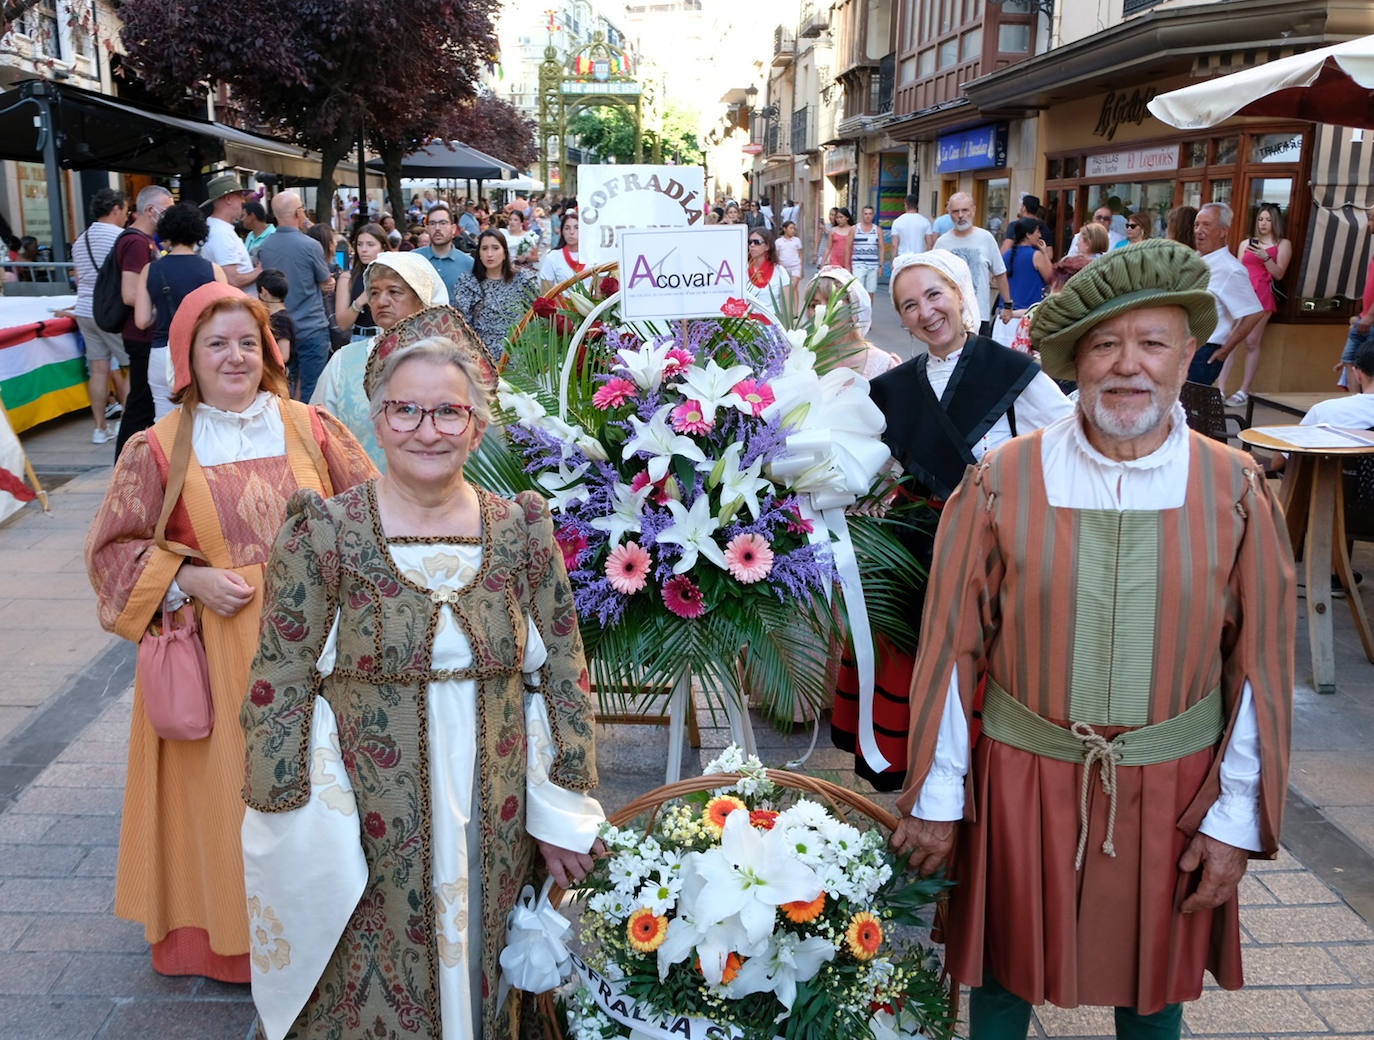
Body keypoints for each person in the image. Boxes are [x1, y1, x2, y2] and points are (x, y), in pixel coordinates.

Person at [891, 239, 1296, 1040]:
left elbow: (1260, 670)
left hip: (1175, 792)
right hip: (1019, 780)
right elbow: (950, 650)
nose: (1127, 367)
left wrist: (1234, 818)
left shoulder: (1235, 489)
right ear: (1075, 360)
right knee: (1000, 976)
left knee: (1153, 990)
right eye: (1104, 345)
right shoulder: (1001, 479)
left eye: (1152, 343)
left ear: (1189, 356)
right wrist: (937, 803)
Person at [242, 332, 602, 1040]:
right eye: (406, 411)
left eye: (449, 413)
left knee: (487, 979)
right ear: (376, 421)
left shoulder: (522, 531)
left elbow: (564, 669)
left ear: (477, 424)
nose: (427, 431)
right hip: (362, 818)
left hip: (496, 806)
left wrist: (562, 810)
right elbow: (277, 683)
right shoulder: (326, 534)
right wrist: (290, 829)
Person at [85, 282, 376, 986]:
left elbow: (370, 514)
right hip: (218, 662)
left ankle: (325, 929)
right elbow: (112, 552)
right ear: (187, 355)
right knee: (227, 805)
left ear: (269, 350)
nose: (236, 356)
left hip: (317, 655)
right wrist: (188, 580)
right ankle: (230, 941)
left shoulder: (312, 427)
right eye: (216, 343)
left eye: (248, 341)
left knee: (322, 796)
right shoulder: (157, 447)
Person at [830, 251, 1072, 789]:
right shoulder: (894, 386)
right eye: (909, 305)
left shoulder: (1011, 371)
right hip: (914, 546)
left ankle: (984, 770)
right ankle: (914, 766)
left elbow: (1067, 438)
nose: (925, 312)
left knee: (988, 659)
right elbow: (871, 462)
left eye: (933, 295)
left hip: (994, 542)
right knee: (909, 653)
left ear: (962, 295)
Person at [312, 251, 450, 469]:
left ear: (422, 299)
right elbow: (318, 434)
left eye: (394, 292)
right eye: (374, 293)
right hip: (361, 495)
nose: (381, 301)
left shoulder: (450, 363)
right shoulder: (345, 361)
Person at [134, 202, 227, 421]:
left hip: (161, 352)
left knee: (165, 423)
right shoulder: (212, 270)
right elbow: (226, 320)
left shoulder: (151, 269)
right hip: (201, 352)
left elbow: (141, 320)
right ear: (199, 231)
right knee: (206, 419)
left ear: (167, 232)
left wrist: (164, 309)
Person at [114, 184, 174, 457]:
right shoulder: (136, 243)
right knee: (140, 406)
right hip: (141, 338)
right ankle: (125, 464)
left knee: (144, 405)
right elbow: (129, 294)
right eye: (168, 209)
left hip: (144, 336)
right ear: (151, 210)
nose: (171, 216)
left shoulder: (146, 242)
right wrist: (157, 310)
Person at [257, 192, 334, 402]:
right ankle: (310, 432)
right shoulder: (310, 245)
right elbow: (325, 280)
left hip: (279, 328)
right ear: (298, 212)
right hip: (311, 327)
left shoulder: (264, 247)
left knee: (285, 388)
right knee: (314, 389)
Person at [72, 188, 130, 444]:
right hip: (111, 312)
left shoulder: (80, 240)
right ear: (116, 209)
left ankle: (99, 427)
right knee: (129, 368)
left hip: (84, 310)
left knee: (98, 369)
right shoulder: (121, 238)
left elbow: (80, 277)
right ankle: (127, 423)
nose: (126, 217)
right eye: (126, 211)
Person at [1220, 204, 1292, 405]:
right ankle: (1221, 388)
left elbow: (1279, 273)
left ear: (1275, 222)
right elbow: (1237, 269)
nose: (1263, 223)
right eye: (1261, 219)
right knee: (1230, 341)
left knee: (1252, 341)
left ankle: (1244, 390)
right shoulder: (1246, 243)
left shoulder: (1283, 244)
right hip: (1241, 294)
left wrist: (1266, 257)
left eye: (1268, 220)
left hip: (1262, 295)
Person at [1191, 203, 1264, 387]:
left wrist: (1226, 349)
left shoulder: (1230, 269)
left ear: (1223, 231)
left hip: (1204, 351)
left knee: (1188, 410)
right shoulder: (1195, 259)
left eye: (1206, 225)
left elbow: (1254, 313)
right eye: (1196, 225)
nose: (1199, 231)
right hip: (1181, 346)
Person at [934, 193, 1013, 336]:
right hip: (951, 316)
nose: (960, 215)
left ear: (974, 211)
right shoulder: (942, 243)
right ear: (949, 213)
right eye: (955, 211)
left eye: (965, 210)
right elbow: (934, 280)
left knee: (979, 357)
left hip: (980, 316)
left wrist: (1007, 305)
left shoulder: (986, 238)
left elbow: (1000, 273)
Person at [452, 230, 537, 362]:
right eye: (484, 248)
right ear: (479, 253)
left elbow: (535, 317)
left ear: (504, 253)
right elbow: (462, 326)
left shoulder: (523, 280)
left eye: (495, 248)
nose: (489, 254)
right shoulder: (468, 283)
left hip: (520, 359)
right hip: (483, 361)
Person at [808, 267, 899, 379]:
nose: (823, 311)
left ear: (853, 309)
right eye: (814, 305)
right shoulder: (803, 360)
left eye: (834, 303)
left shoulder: (884, 366)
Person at [199, 173, 260, 292]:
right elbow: (232, 280)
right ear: (228, 199)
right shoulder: (221, 233)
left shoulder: (218, 229)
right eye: (239, 196)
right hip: (238, 306)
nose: (243, 201)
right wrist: (259, 271)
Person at [1336, 207, 1374, 388]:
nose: (1368, 223)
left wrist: (1370, 316)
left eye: (1371, 219)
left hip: (1370, 321)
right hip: (1364, 318)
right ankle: (1354, 402)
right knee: (1349, 360)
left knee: (1367, 364)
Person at [335, 222, 390, 341]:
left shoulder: (394, 275)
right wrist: (359, 302)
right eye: (359, 244)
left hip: (388, 337)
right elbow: (343, 324)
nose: (363, 250)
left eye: (370, 244)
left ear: (383, 247)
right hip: (360, 337)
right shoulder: (348, 278)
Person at [416, 204, 475, 301]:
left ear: (453, 229)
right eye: (432, 223)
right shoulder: (413, 259)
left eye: (443, 223)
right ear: (427, 228)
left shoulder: (468, 264)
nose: (437, 228)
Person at [1001, 218, 1052, 313]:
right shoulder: (1037, 256)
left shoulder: (1007, 254)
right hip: (1026, 314)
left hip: (1005, 314)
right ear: (1028, 235)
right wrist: (1045, 253)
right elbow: (1051, 278)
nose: (1040, 235)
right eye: (1037, 232)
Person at [257, 268, 296, 363]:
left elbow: (283, 355)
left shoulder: (281, 319)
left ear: (264, 292)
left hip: (279, 374)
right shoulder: (278, 316)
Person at [538, 208, 583, 287]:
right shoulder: (553, 257)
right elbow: (547, 290)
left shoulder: (593, 256)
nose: (571, 232)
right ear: (562, 232)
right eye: (567, 228)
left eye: (576, 227)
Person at [746, 227, 791, 302]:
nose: (752, 245)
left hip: (771, 313)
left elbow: (787, 306)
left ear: (767, 246)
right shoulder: (742, 270)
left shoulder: (780, 272)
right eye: (749, 242)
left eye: (757, 242)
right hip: (748, 313)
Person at [851, 206, 887, 294]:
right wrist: (848, 266)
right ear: (862, 215)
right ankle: (858, 308)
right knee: (858, 291)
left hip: (873, 265)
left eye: (870, 214)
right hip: (858, 264)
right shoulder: (854, 229)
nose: (868, 216)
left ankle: (869, 308)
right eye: (866, 214)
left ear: (873, 215)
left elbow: (882, 248)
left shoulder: (878, 230)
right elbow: (848, 247)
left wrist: (881, 266)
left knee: (871, 291)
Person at [890, 194, 932, 258]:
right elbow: (930, 244)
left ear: (906, 205)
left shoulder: (897, 222)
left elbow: (894, 245)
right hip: (919, 259)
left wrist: (893, 262)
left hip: (902, 259)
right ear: (917, 205)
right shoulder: (925, 221)